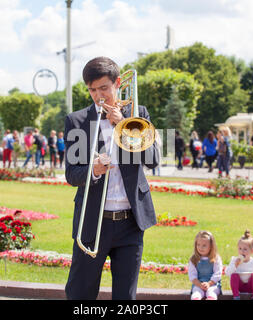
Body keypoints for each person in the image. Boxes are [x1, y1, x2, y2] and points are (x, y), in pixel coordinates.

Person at [64, 56, 159, 300]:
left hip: (130, 222)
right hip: (93, 219)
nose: (99, 96)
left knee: (126, 298)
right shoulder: (77, 121)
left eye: (104, 88)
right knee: (80, 293)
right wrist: (93, 169)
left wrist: (124, 125)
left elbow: (152, 159)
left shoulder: (137, 114)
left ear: (118, 83)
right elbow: (72, 175)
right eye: (92, 90)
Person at [225, 230, 253, 300]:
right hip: (239, 286)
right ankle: (236, 297)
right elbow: (227, 273)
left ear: (252, 251)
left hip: (250, 286)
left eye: (245, 249)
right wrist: (235, 265)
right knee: (234, 275)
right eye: (240, 248)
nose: (242, 251)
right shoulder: (234, 260)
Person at [188, 231, 223, 300]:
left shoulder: (215, 258)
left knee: (211, 293)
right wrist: (200, 285)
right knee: (196, 294)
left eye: (204, 245)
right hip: (198, 284)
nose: (200, 248)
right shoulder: (194, 259)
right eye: (198, 245)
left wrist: (209, 284)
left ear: (211, 246)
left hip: (213, 285)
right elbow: (192, 276)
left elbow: (217, 274)